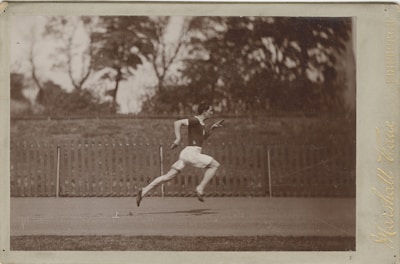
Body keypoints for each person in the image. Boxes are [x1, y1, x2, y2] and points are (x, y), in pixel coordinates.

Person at [136, 102, 223, 207]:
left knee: (168, 176)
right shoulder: (195, 120)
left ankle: (144, 191)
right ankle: (200, 188)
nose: (212, 113)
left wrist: (213, 128)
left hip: (187, 153)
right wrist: (178, 139)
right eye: (210, 110)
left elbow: (202, 139)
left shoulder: (201, 124)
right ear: (204, 111)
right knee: (215, 165)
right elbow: (177, 123)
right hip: (191, 153)